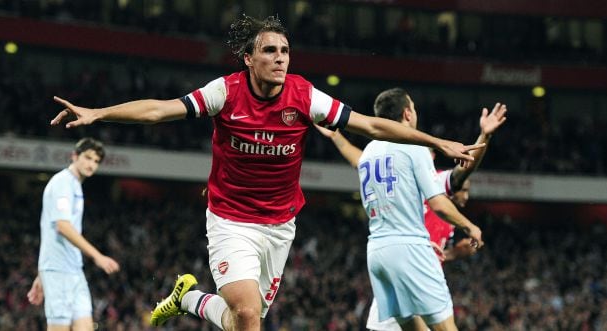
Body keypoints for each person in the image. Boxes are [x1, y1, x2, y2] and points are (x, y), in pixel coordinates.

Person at [49, 15, 485, 331]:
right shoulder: (226, 92)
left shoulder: (303, 95)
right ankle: (199, 299)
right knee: (247, 313)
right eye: (270, 51)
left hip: (279, 224)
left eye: (285, 51)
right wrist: (99, 113)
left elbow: (369, 125)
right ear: (249, 58)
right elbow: (161, 111)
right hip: (230, 218)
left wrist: (436, 142)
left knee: (243, 318)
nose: (280, 59)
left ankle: (191, 298)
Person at [316, 91, 506, 330]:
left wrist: (335, 136)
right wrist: (470, 226)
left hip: (377, 253)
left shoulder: (370, 154)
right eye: (414, 108)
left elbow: (356, 159)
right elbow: (446, 192)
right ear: (407, 113)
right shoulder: (416, 148)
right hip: (411, 249)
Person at [27, 138, 120, 331]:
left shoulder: (75, 185)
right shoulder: (63, 183)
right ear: (74, 156)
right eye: (87, 158)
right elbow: (62, 226)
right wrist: (97, 256)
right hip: (58, 271)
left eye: (96, 161)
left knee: (85, 326)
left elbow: (49, 233)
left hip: (73, 269)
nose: (91, 164)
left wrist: (40, 275)